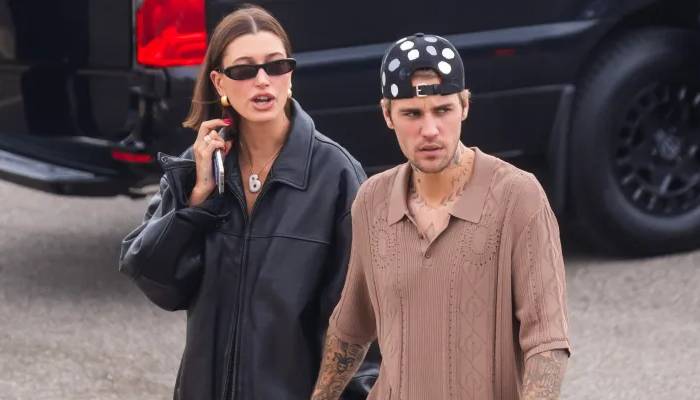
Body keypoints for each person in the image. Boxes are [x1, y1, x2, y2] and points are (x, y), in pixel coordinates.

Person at [119, 5, 376, 400]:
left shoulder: (336, 175)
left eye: (276, 65)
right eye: (243, 70)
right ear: (219, 81)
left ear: (291, 74)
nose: (262, 80)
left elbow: (362, 318)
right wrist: (196, 202)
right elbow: (158, 282)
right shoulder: (199, 166)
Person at [311, 33, 571, 400]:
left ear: (464, 106)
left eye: (443, 110)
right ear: (387, 115)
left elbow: (547, 342)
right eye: (412, 114)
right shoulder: (372, 201)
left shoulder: (518, 197)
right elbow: (351, 328)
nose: (430, 130)